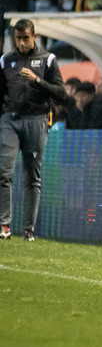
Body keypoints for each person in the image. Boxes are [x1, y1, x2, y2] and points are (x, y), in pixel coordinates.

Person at [0, 19, 67, 240]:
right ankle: (4, 225)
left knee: (32, 176)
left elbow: (61, 93)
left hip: (37, 120)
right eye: (17, 39)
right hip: (10, 120)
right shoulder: (5, 60)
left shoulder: (47, 60)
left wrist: (37, 80)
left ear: (34, 36)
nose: (21, 43)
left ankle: (29, 229)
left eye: (25, 38)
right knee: (4, 172)